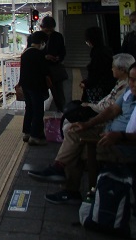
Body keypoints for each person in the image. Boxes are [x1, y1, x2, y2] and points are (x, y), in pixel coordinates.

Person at [35, 61, 136, 204]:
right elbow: (112, 110)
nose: (132, 83)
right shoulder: (128, 92)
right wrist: (87, 124)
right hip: (109, 132)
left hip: (123, 143)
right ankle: (59, 168)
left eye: (135, 80)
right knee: (73, 131)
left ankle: (74, 191)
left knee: (78, 150)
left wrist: (120, 135)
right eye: (131, 79)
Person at [17, 30, 51, 146]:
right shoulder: (39, 54)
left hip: (26, 86)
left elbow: (23, 71)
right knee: (38, 111)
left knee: (29, 108)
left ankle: (26, 132)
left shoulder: (25, 53)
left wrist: (20, 83)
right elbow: (44, 71)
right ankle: (35, 136)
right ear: (41, 42)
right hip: (36, 86)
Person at [39, 16, 67, 112]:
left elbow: (63, 52)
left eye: (51, 30)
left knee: (59, 95)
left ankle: (62, 114)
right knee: (39, 96)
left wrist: (58, 58)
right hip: (41, 71)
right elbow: (32, 53)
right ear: (41, 27)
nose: (49, 33)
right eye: (47, 31)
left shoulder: (58, 36)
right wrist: (45, 57)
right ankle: (38, 115)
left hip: (55, 70)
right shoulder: (36, 37)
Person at [81, 26, 115, 103]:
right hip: (107, 85)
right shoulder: (106, 49)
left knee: (97, 107)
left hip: (99, 88)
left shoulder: (97, 53)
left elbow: (96, 72)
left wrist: (86, 83)